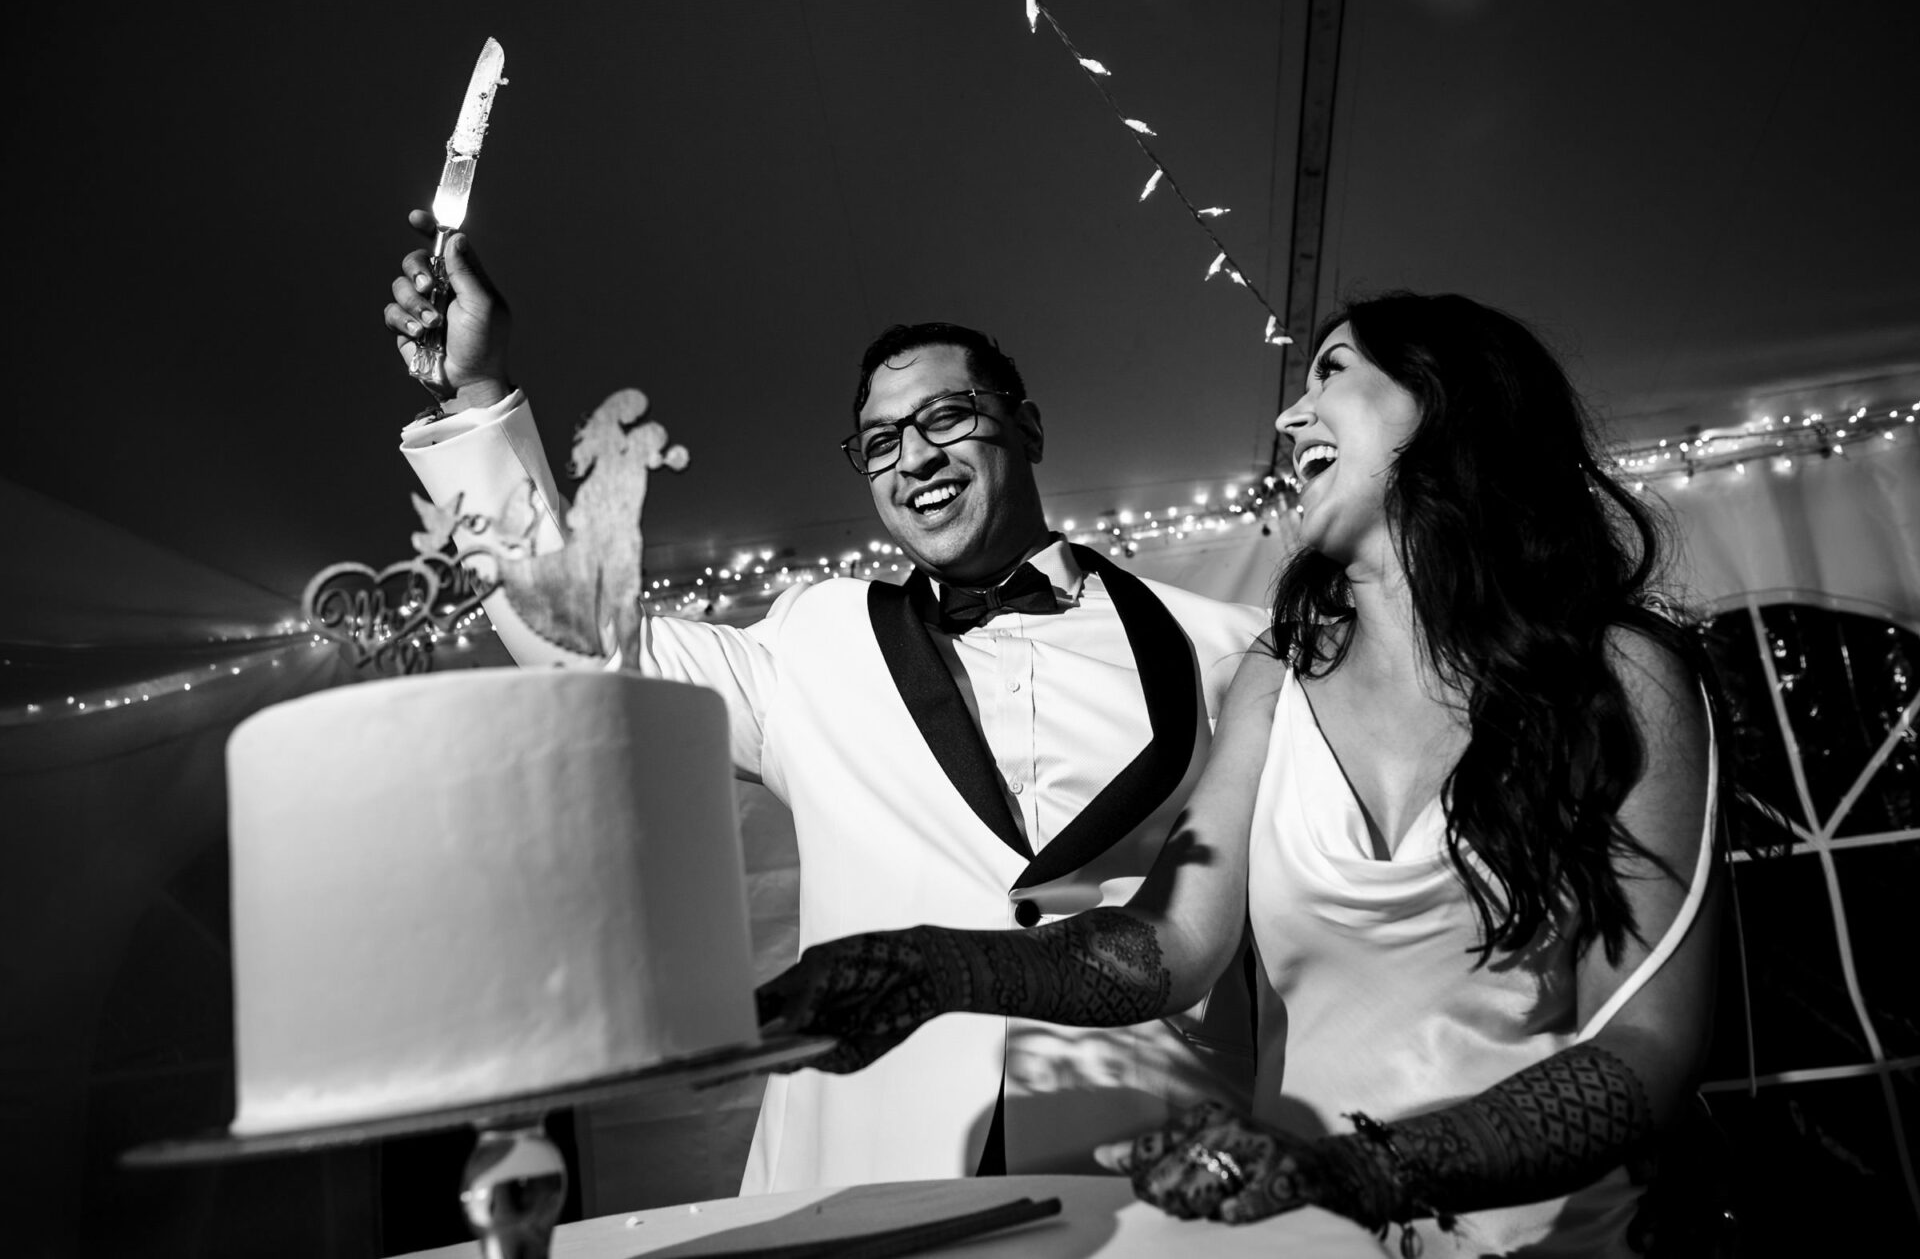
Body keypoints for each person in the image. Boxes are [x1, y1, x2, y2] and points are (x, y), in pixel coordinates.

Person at [759, 292, 1724, 1256]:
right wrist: (936, 966)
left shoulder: (1618, 677)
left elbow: (1648, 1048)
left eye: (1332, 373)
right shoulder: (1277, 675)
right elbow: (1172, 940)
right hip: (1308, 1237)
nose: (1288, 416)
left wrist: (1362, 1169)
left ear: (1444, 401)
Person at [379, 212, 1270, 1193]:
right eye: (881, 441)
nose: (913, 459)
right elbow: (582, 642)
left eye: (945, 417)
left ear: (1030, 423)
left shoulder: (1226, 651)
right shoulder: (811, 639)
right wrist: (479, 391)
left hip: (1146, 1164)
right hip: (871, 1168)